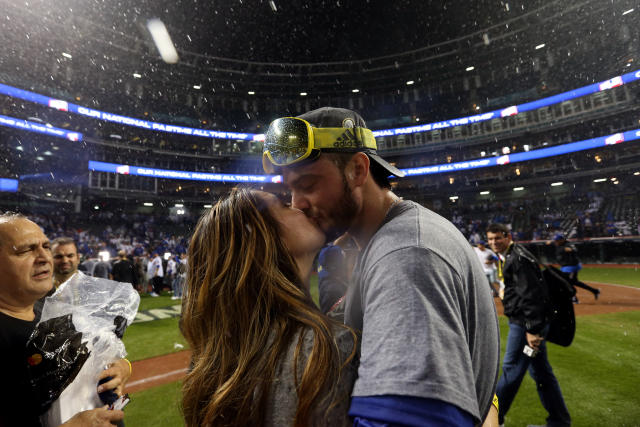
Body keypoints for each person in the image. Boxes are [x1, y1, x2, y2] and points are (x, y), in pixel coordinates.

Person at [262, 107, 500, 426]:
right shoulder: (390, 241)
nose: (297, 203)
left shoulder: (405, 254)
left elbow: (413, 421)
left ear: (358, 170)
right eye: (290, 189)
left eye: (307, 183)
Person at [180, 188, 357, 426]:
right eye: (284, 205)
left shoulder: (210, 366)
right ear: (263, 241)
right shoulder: (328, 349)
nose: (299, 206)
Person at [0, 212, 125, 427]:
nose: (44, 257)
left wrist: (122, 367)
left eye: (46, 247)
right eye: (26, 250)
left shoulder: (49, 308)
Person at [487, 223, 571, 427]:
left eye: (498, 238)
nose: (494, 243)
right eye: (490, 239)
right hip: (528, 323)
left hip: (525, 325)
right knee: (541, 373)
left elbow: (533, 296)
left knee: (511, 370)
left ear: (508, 236)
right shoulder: (512, 255)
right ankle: (559, 422)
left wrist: (532, 330)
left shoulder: (518, 258)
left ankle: (493, 421)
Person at [553, 234, 600, 302]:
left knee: (566, 282)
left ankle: (574, 298)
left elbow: (573, 249)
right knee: (574, 282)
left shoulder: (568, 244)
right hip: (566, 266)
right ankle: (595, 291)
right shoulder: (559, 245)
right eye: (555, 241)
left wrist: (569, 249)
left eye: (557, 240)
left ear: (562, 240)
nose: (556, 242)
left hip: (571, 266)